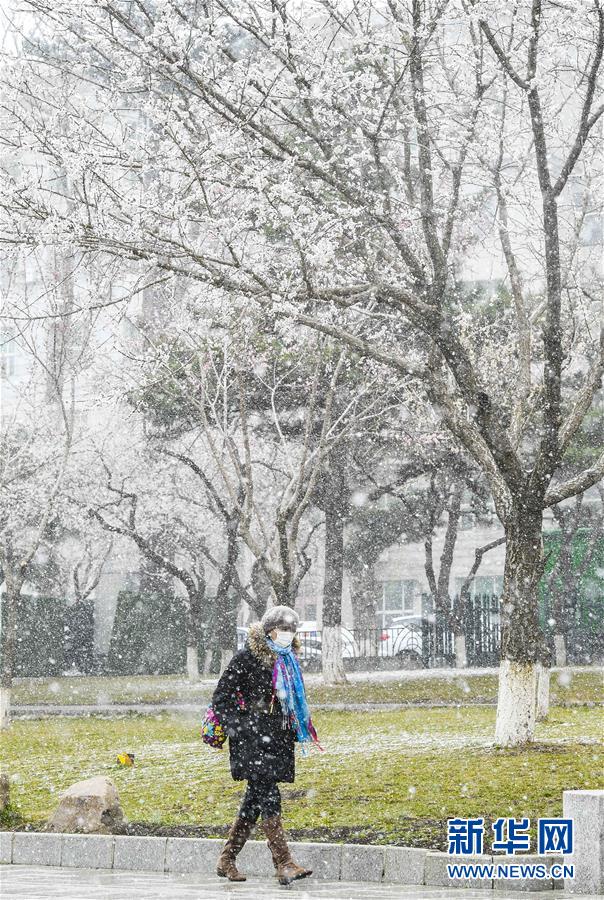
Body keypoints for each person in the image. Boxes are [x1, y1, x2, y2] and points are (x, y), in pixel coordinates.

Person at [212, 604, 322, 884]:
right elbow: (221, 697)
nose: (288, 634)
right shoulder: (247, 658)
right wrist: (240, 727)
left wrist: (294, 727)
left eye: (292, 630)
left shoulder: (287, 660)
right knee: (269, 794)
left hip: (276, 738)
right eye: (283, 629)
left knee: (254, 800)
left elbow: (290, 701)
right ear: (269, 630)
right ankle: (283, 862)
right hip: (251, 740)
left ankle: (227, 859)